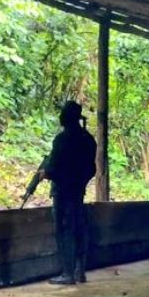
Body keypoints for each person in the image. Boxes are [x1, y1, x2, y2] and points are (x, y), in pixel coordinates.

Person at [42, 101, 98, 285]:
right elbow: (91, 169)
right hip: (78, 191)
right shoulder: (88, 139)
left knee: (64, 230)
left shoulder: (62, 139)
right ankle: (79, 271)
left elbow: (54, 165)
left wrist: (46, 173)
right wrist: (79, 181)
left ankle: (67, 273)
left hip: (63, 191)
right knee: (79, 229)